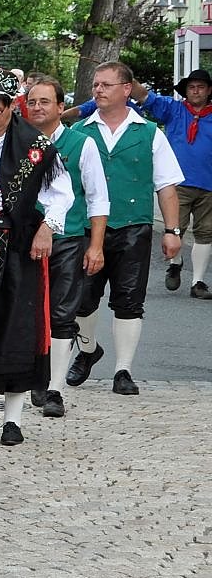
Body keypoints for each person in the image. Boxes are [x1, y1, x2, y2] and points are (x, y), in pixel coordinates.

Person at [0, 68, 72, 446]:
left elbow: (61, 193)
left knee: (17, 324)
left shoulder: (35, 145)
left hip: (18, 242)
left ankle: (13, 418)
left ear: (11, 107)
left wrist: (47, 227)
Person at [65, 62, 184, 396]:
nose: (98, 90)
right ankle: (89, 350)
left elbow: (166, 186)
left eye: (106, 84)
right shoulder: (80, 132)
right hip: (86, 226)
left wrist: (172, 231)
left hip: (133, 226)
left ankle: (123, 370)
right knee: (82, 299)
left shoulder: (149, 132)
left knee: (129, 299)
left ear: (126, 89)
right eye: (96, 84)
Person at [23, 76, 108, 417]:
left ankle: (54, 388)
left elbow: (98, 198)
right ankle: (34, 374)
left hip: (68, 239)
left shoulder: (81, 144)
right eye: (32, 102)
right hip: (22, 239)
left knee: (61, 314)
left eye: (44, 102)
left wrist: (96, 246)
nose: (37, 108)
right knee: (28, 312)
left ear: (61, 107)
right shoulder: (17, 140)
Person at [130, 69, 212, 298]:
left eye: (201, 87)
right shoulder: (173, 109)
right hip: (177, 183)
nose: (196, 91)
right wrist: (125, 77)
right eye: (191, 87)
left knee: (206, 232)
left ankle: (198, 282)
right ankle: (175, 264)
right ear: (186, 91)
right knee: (176, 228)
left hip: (208, 184)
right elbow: (143, 95)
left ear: (209, 91)